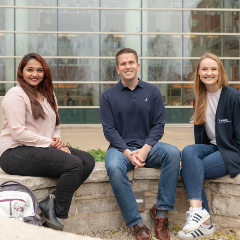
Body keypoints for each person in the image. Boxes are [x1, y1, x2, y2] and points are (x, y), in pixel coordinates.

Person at [0, 53, 95, 231]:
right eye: (30, 70)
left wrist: (58, 141)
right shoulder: (15, 94)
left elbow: (55, 126)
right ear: (21, 72)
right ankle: (57, 216)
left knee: (87, 161)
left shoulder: (48, 94)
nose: (34, 74)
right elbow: (18, 132)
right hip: (14, 152)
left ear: (45, 73)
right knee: (74, 164)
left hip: (41, 147)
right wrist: (51, 143)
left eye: (39, 70)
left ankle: (50, 201)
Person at [100, 48, 180, 240]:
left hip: (149, 149)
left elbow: (158, 125)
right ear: (117, 69)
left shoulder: (152, 91)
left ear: (138, 65)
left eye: (131, 62)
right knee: (112, 165)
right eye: (123, 64)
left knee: (173, 153)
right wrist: (128, 153)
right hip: (121, 150)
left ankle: (161, 214)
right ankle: (137, 224)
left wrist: (144, 150)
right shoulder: (108, 96)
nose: (127, 66)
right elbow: (109, 130)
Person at [178, 52, 240, 239]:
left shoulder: (232, 96)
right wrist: (190, 161)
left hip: (232, 151)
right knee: (188, 151)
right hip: (213, 148)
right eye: (204, 69)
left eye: (213, 69)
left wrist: (190, 166)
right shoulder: (200, 98)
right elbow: (200, 140)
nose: (209, 72)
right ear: (198, 73)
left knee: (191, 171)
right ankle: (201, 217)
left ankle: (204, 223)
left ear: (220, 72)